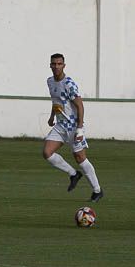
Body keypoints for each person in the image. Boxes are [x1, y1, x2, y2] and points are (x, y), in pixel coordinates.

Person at [43, 53, 103, 202]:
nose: (56, 66)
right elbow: (56, 101)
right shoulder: (50, 82)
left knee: (80, 158)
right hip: (60, 125)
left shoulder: (69, 84)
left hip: (73, 126)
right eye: (54, 64)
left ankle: (97, 190)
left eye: (59, 64)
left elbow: (80, 105)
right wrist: (52, 116)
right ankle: (73, 174)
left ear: (64, 65)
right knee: (47, 152)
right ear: (50, 65)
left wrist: (80, 129)